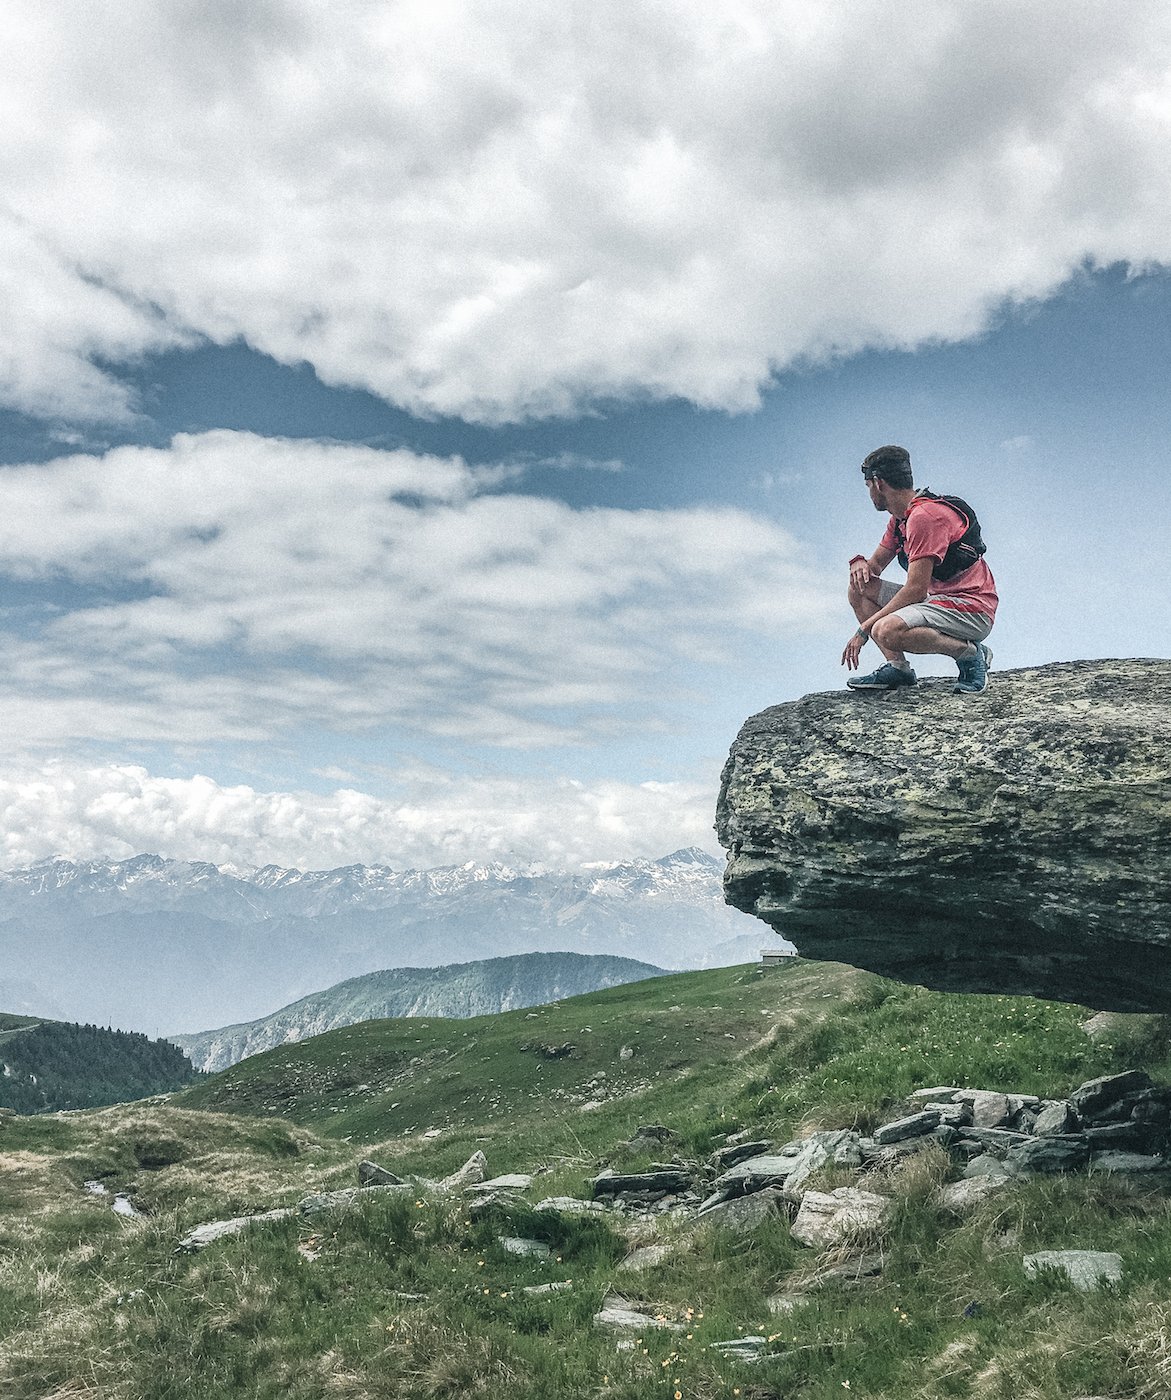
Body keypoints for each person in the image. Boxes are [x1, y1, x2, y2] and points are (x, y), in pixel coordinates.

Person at [841, 445, 998, 694]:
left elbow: (915, 590)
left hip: (972, 609)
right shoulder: (900, 520)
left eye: (868, 486)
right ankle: (898, 669)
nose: (869, 492)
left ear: (878, 483)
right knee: (859, 589)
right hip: (936, 602)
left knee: (886, 630)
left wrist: (864, 629)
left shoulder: (924, 517)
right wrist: (859, 562)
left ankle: (970, 654)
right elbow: (875, 568)